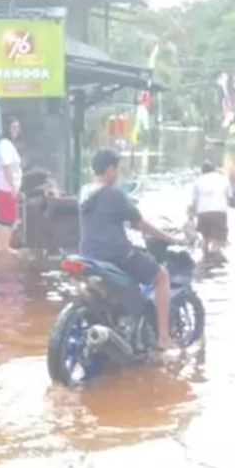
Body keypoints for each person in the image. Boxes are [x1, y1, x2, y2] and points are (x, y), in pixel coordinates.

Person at [79, 147, 178, 354]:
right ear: (109, 170)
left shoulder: (84, 192)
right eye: (117, 169)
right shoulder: (114, 194)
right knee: (161, 276)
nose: (118, 174)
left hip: (89, 255)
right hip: (116, 254)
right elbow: (140, 224)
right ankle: (163, 337)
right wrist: (169, 238)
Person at [0, 116, 24, 253]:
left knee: (6, 217)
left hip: (4, 187)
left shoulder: (5, 145)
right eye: (13, 127)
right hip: (5, 187)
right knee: (7, 217)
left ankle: (3, 246)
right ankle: (3, 246)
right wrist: (13, 186)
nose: (16, 130)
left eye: (17, 127)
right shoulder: (5, 145)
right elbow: (6, 166)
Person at [189, 162, 231, 257]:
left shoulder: (198, 181)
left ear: (202, 171)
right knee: (218, 242)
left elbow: (193, 203)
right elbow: (228, 198)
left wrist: (190, 219)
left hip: (203, 214)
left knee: (205, 240)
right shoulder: (223, 179)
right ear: (214, 169)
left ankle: (205, 262)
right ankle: (215, 263)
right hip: (219, 213)